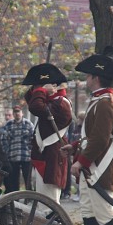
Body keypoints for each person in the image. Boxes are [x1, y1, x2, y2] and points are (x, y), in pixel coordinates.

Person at [62, 46, 113, 225]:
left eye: (88, 76)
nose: (86, 80)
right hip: (93, 166)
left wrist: (80, 161)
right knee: (89, 211)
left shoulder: (105, 103)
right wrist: (75, 147)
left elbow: (100, 139)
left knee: (105, 213)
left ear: (96, 78)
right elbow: (93, 135)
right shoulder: (99, 100)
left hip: (100, 167)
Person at [22, 63, 72, 203]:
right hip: (45, 156)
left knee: (49, 203)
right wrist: (41, 89)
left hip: (52, 157)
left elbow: (36, 106)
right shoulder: (52, 100)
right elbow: (31, 99)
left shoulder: (61, 103)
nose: (37, 90)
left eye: (40, 86)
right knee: (42, 202)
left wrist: (42, 90)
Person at [0, 105, 35, 192]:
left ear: (22, 113)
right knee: (13, 179)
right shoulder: (8, 125)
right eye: (15, 112)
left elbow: (33, 138)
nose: (17, 114)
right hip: (13, 156)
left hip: (26, 156)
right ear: (13, 114)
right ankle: (15, 196)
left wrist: (31, 150)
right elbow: (3, 139)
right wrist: (6, 151)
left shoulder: (28, 124)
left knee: (28, 178)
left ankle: (30, 196)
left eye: (18, 112)